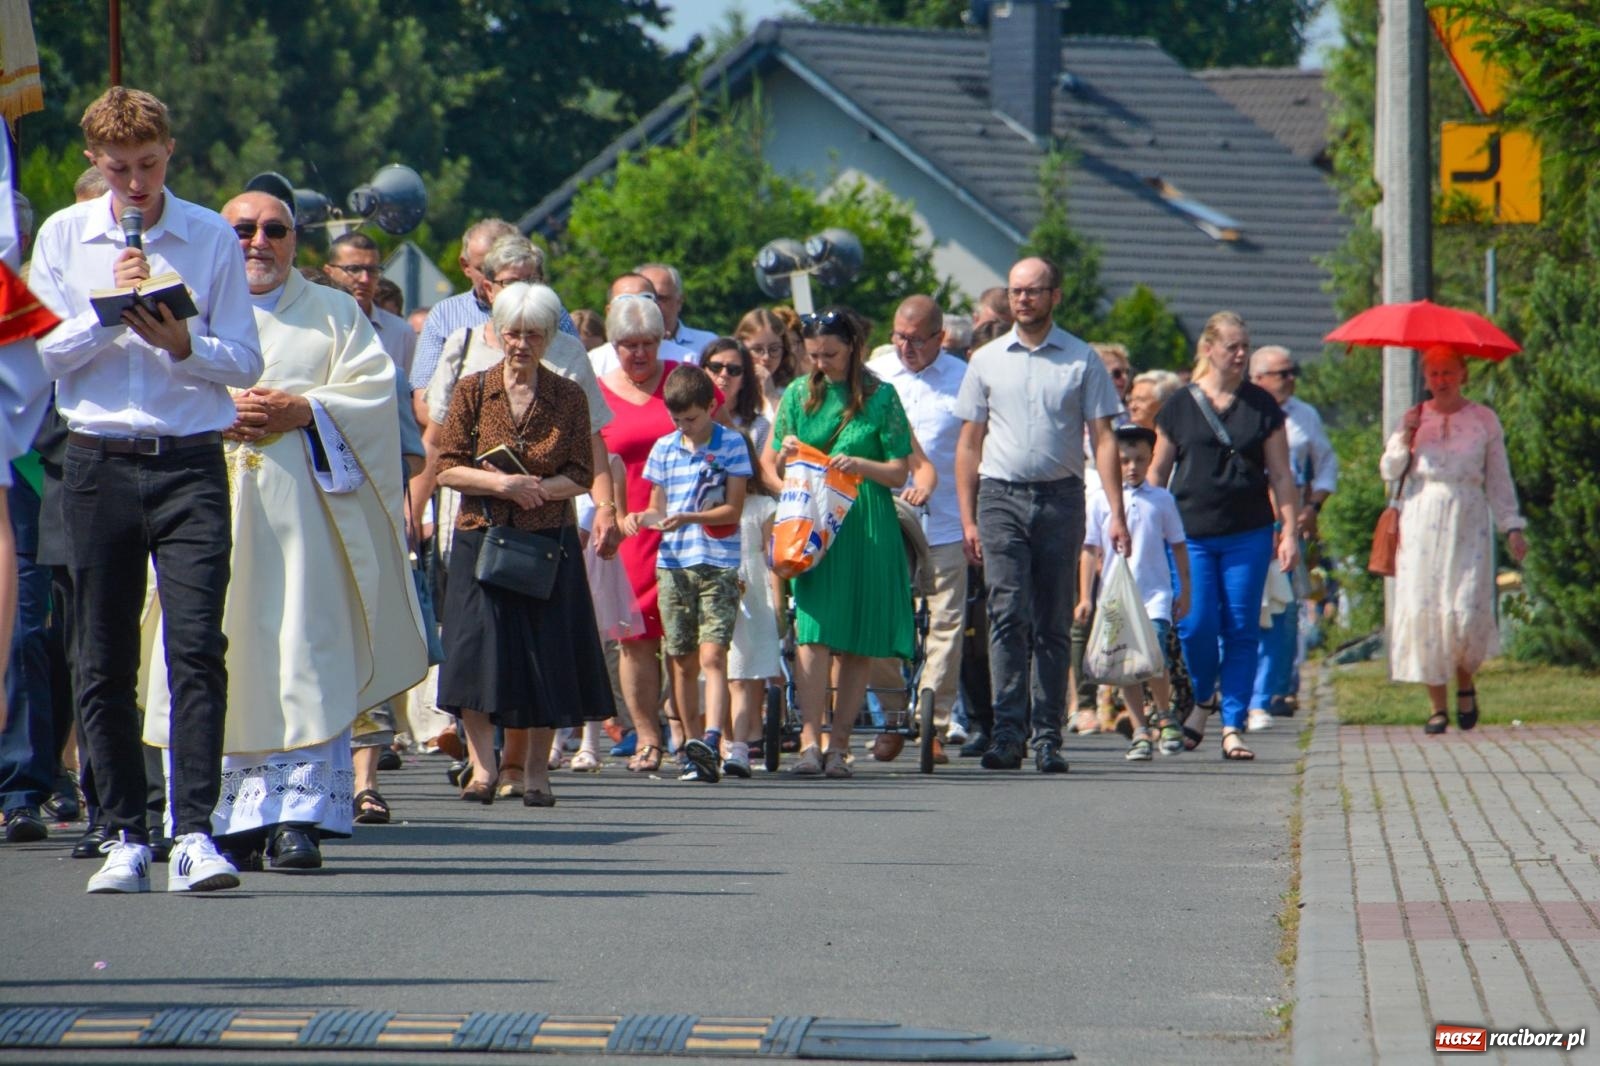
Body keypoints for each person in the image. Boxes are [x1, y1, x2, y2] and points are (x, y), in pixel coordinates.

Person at [143, 190, 425, 871]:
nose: (257, 242)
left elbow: (370, 396)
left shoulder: (332, 313)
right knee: (215, 655)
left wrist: (306, 410)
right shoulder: (184, 305)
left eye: (275, 230)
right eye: (242, 229)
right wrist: (218, 407)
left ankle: (298, 814)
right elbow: (141, 389)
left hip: (305, 527)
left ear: (296, 241)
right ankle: (220, 817)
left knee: (304, 653)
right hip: (204, 512)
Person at [30, 87, 264, 892]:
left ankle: (195, 830)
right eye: (121, 168)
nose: (136, 183)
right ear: (96, 162)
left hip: (189, 458)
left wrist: (182, 343)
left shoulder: (206, 235)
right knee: (101, 652)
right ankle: (123, 829)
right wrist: (109, 313)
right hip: (96, 460)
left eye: (150, 165)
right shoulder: (65, 235)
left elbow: (246, 360)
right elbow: (41, 355)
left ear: (171, 152)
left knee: (196, 644)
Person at [426, 275, 620, 795]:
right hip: (480, 533)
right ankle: (483, 768)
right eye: (513, 332)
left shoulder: (568, 395)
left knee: (545, 656)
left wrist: (536, 489)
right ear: (497, 331)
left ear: (549, 337)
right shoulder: (473, 389)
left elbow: (582, 471)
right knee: (473, 656)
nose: (522, 344)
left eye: (533, 334)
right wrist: (504, 484)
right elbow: (446, 467)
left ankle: (535, 772)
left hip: (545, 542)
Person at [955, 257, 1127, 774]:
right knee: (1006, 615)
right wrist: (967, 518)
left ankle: (1049, 734)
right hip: (1000, 496)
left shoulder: (1081, 359)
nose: (1023, 299)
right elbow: (968, 445)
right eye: (1015, 291)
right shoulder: (985, 360)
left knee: (1053, 620)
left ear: (1055, 296)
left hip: (1060, 497)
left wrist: (1116, 512)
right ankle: (1008, 731)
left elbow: (1103, 438)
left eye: (1033, 291)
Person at [763, 307, 914, 779]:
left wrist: (860, 466)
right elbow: (767, 465)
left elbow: (899, 469)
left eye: (830, 353)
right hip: (814, 519)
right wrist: (788, 474)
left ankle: (839, 747)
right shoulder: (795, 393)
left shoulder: (880, 395)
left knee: (857, 638)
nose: (821, 363)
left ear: (852, 348)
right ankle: (809, 742)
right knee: (813, 631)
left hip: (865, 518)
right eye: (813, 355)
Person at [1148, 312, 1299, 762]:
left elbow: (1282, 474)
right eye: (1232, 346)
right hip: (1189, 535)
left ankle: (1231, 724)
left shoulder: (1262, 406)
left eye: (1245, 347)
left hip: (1248, 533)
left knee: (1240, 630)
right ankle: (1204, 699)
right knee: (1195, 626)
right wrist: (1142, 521)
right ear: (1208, 349)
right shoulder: (1178, 405)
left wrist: (1288, 529)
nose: (1240, 354)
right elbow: (1158, 470)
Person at [1382, 345, 1527, 735]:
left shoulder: (1483, 420)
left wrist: (1511, 524)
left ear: (1463, 374)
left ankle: (1465, 683)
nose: (1441, 381)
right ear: (1426, 378)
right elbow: (1390, 469)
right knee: (1426, 605)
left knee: (1463, 604)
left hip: (1469, 516)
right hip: (1423, 515)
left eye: (1448, 372)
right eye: (1433, 373)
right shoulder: (1414, 419)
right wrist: (1405, 434)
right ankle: (1436, 706)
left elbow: (1498, 476)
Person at [630, 364, 752, 783]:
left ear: (710, 408)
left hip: (717, 561)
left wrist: (690, 517)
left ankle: (714, 736)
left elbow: (733, 511)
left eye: (692, 418)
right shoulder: (664, 448)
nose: (685, 426)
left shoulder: (732, 444)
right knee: (680, 660)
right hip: (673, 563)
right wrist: (638, 519)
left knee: (713, 654)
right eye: (677, 419)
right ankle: (691, 745)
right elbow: (656, 507)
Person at [865, 295, 968, 762]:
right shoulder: (875, 375)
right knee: (882, 622)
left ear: (940, 338)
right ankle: (892, 718)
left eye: (917, 339)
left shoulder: (965, 380)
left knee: (945, 625)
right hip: (883, 523)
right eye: (899, 336)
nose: (906, 347)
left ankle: (933, 724)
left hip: (944, 521)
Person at [596, 295, 682, 773]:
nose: (641, 354)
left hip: (683, 526)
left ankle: (688, 731)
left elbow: (726, 441)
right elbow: (595, 464)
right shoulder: (598, 392)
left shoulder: (685, 383)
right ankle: (647, 735)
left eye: (649, 343)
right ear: (614, 344)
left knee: (687, 640)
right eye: (629, 345)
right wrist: (608, 512)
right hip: (630, 529)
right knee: (635, 639)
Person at [1076, 425, 1190, 761]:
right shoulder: (1100, 501)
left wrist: (1186, 591)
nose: (1131, 467)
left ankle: (1165, 714)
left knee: (1154, 656)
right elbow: (1089, 549)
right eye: (1124, 460)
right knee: (1126, 663)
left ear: (1151, 458)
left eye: (1140, 459)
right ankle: (1140, 728)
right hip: (1115, 597)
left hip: (1154, 594)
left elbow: (1179, 546)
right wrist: (1085, 597)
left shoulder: (1162, 499)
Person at [1247, 344, 1338, 732]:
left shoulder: (1304, 416)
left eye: (1292, 371)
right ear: (1258, 379)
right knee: (1246, 606)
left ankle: (1275, 689)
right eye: (1282, 373)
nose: (1290, 379)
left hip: (1288, 523)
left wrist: (1312, 507)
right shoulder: (1242, 409)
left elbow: (1327, 463)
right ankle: (1240, 688)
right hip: (1246, 521)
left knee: (1284, 608)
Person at [724, 435, 781, 776]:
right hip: (718, 580)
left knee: (745, 670)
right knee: (722, 670)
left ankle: (741, 742)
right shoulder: (709, 503)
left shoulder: (763, 506)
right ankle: (724, 738)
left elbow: (772, 561)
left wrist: (777, 604)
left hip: (754, 587)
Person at [324, 230, 416, 384]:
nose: (365, 279)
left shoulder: (400, 333)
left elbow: (406, 397)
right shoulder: (313, 325)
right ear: (329, 272)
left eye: (372, 270)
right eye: (354, 269)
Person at [588, 274, 696, 376]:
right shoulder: (594, 362)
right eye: (624, 300)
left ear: (657, 307)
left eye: (645, 298)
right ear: (609, 311)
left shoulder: (685, 360)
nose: (637, 307)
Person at [636, 262, 719, 354]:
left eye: (661, 298)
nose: (653, 304)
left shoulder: (707, 344)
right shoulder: (620, 346)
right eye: (646, 298)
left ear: (679, 302)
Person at [734, 308, 799, 420]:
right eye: (757, 349)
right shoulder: (730, 385)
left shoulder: (794, 390)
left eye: (774, 349)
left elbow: (789, 427)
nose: (766, 357)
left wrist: (771, 393)